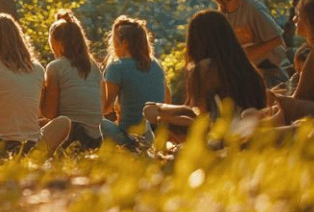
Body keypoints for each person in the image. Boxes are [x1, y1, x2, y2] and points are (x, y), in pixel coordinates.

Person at [144, 10, 270, 137]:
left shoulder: (205, 68)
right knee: (154, 109)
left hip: (221, 136)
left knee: (151, 112)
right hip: (250, 130)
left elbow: (199, 117)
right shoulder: (245, 67)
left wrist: (162, 118)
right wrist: (162, 108)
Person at [0, 14, 71, 154]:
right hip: (32, 141)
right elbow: (35, 109)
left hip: (0, 141)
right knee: (64, 122)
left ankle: (1, 152)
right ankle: (34, 153)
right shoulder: (38, 69)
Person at [210, 0, 289, 87]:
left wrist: (245, 56)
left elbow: (278, 39)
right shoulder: (221, 16)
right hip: (244, 76)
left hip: (271, 74)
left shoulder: (251, 6)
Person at [99, 16, 169, 148]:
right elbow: (167, 98)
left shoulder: (117, 67)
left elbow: (105, 108)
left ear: (125, 43)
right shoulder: (156, 65)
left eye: (114, 41)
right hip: (157, 136)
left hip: (132, 139)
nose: (112, 46)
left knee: (99, 124)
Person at [42, 10, 104, 149]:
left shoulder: (55, 67)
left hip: (73, 136)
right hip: (97, 139)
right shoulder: (94, 67)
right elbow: (102, 106)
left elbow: (50, 113)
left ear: (59, 43)